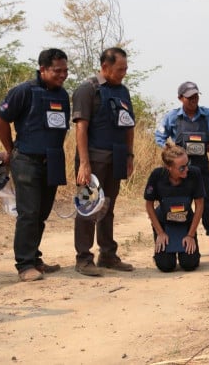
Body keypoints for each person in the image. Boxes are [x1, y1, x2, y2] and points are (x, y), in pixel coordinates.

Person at [0, 48, 70, 282]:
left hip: (53, 160)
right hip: (27, 160)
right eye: (57, 71)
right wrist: (10, 150)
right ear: (43, 69)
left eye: (66, 71)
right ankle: (24, 265)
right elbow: (1, 120)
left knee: (42, 213)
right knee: (28, 212)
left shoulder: (63, 95)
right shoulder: (24, 91)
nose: (62, 75)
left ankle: (35, 258)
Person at [72, 47, 135, 276]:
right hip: (93, 159)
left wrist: (129, 155)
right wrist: (84, 164)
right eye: (120, 69)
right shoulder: (87, 90)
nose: (123, 73)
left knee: (107, 207)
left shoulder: (123, 92)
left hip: (116, 158)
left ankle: (107, 255)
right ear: (105, 67)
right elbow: (81, 128)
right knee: (88, 208)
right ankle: (83, 258)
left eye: (126, 69)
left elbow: (129, 126)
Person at [155, 82, 209, 239]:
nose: (194, 99)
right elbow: (159, 136)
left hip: (201, 167)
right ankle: (177, 237)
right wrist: (168, 148)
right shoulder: (172, 116)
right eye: (189, 97)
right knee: (177, 202)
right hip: (178, 169)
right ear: (180, 98)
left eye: (196, 96)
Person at [144, 143, 203, 272]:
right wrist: (160, 233)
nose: (186, 169)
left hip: (186, 223)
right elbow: (149, 205)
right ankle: (161, 255)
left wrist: (191, 235)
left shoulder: (195, 174)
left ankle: (192, 253)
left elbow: (199, 205)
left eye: (187, 164)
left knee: (189, 264)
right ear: (169, 167)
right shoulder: (157, 175)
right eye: (181, 168)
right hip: (164, 223)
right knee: (166, 266)